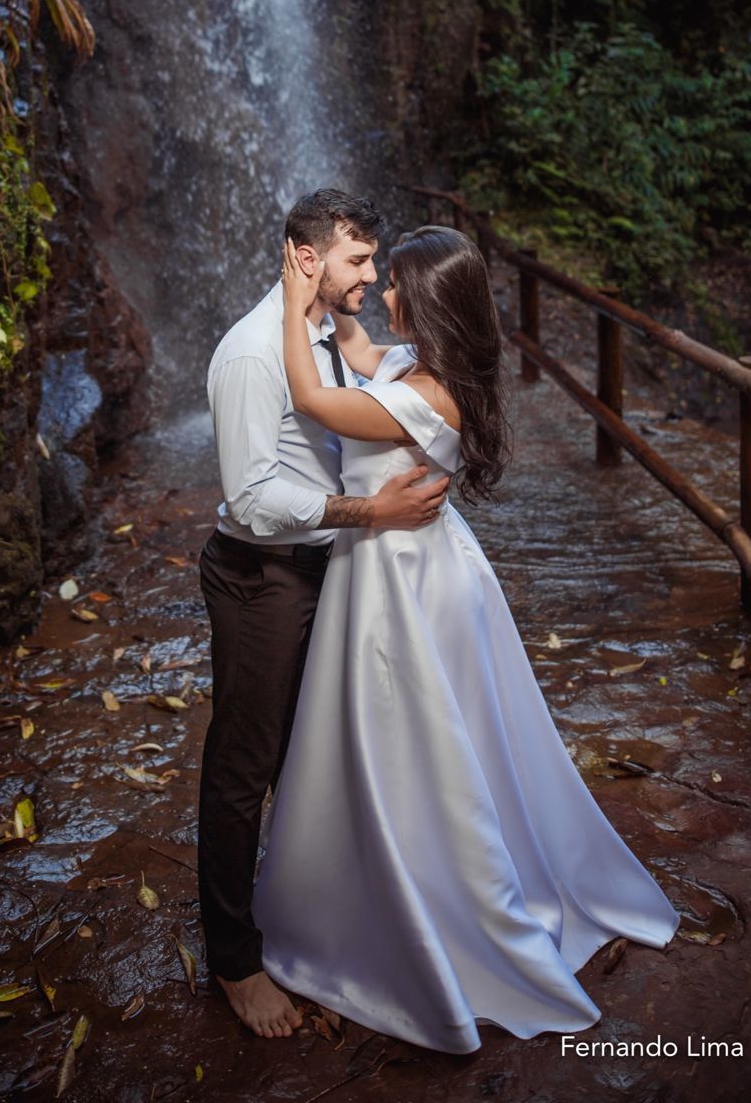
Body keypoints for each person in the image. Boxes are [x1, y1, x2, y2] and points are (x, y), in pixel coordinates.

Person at [252, 225, 681, 1054]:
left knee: (409, 745)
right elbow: (361, 345)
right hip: (416, 567)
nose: (380, 290)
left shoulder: (426, 396)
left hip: (403, 582)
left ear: (429, 302)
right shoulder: (423, 369)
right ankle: (409, 881)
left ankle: (435, 906)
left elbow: (312, 399)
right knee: (434, 744)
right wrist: (331, 298)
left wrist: (289, 296)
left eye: (393, 281)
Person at [197, 191, 451, 1040]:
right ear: (305, 258)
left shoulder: (331, 341)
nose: (371, 278)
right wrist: (370, 516)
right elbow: (255, 498)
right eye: (357, 261)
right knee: (243, 769)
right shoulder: (250, 357)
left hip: (333, 573)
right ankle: (233, 963)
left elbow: (386, 391)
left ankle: (320, 924)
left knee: (320, 758)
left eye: (377, 262)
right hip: (263, 579)